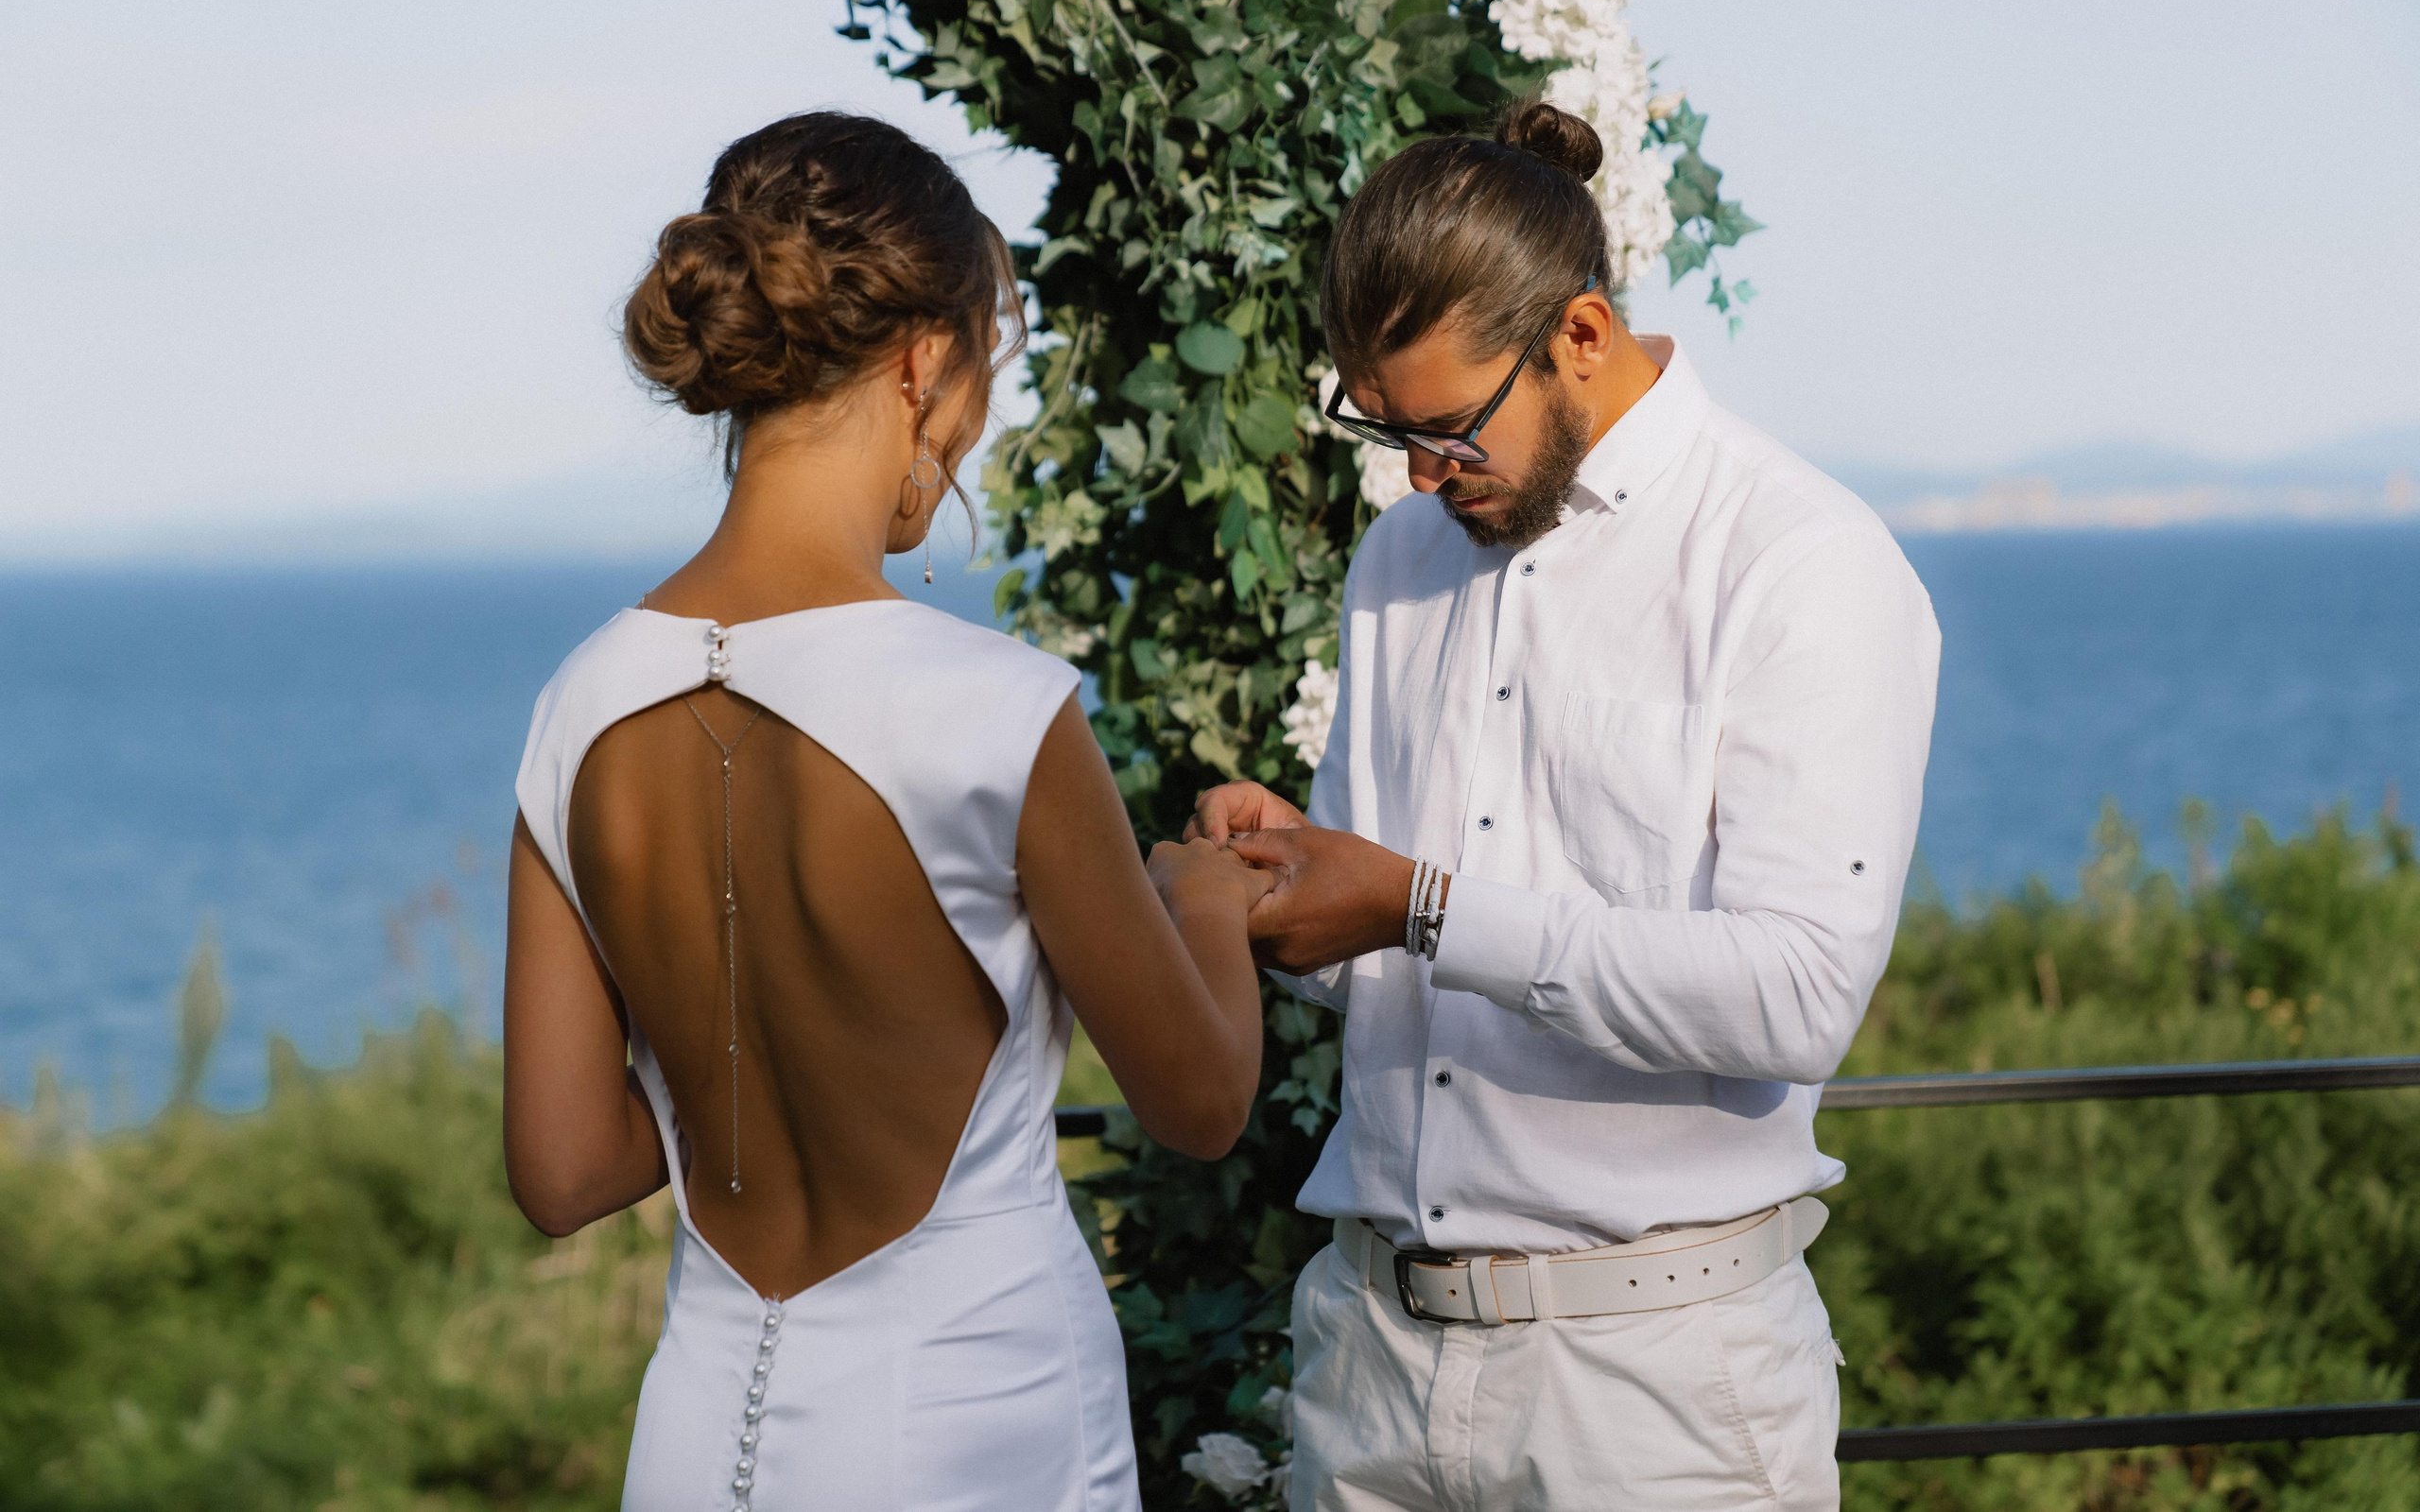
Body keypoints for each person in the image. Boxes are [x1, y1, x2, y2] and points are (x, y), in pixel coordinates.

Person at [501, 112, 1269, 1512]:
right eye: (989, 372)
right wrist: (1205, 901)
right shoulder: (996, 710)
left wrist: (739, 1054)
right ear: (926, 360)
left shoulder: (578, 706)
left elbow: (563, 1170)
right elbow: (1202, 1099)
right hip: (974, 1428)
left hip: (693, 1431)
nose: (973, 429)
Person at [1188, 97, 1942, 1511]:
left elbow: (1798, 995)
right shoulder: (1402, 559)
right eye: (1387, 431)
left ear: (1580, 337)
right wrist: (1290, 881)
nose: (1419, 477)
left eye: (1452, 434)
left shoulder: (1798, 560)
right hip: (1372, 1360)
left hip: (1656, 1395)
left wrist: (1416, 905)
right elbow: (1392, 979)